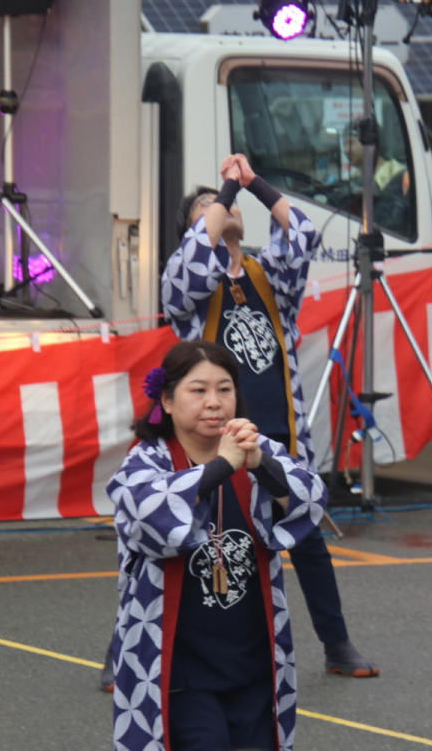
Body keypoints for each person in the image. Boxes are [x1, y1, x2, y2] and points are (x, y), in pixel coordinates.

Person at [159, 153, 378, 678]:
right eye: (206, 209)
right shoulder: (186, 288)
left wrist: (252, 181)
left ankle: (336, 644)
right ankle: (125, 651)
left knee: (307, 538)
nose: (221, 208)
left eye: (222, 203)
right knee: (181, 539)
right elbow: (192, 258)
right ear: (195, 231)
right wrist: (225, 193)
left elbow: (299, 232)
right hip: (212, 439)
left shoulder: (268, 276)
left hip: (275, 432)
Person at [108, 341, 328, 751]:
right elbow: (148, 516)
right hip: (177, 669)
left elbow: (311, 499)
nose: (214, 402)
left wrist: (258, 461)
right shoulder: (146, 461)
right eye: (198, 390)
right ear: (167, 401)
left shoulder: (260, 453)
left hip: (255, 664)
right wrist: (222, 466)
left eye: (224, 390)